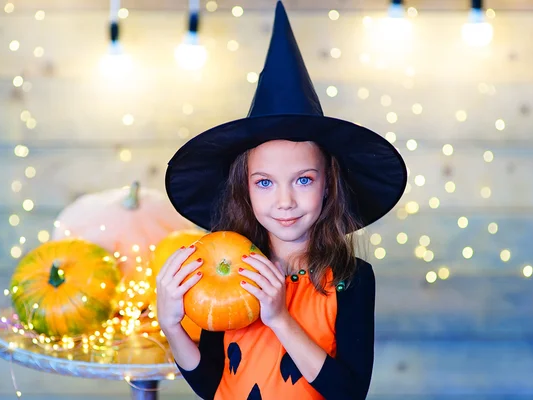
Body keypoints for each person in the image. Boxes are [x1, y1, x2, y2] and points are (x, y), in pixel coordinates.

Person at [156, 2, 407, 399]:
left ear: (328, 184)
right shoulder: (225, 272)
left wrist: (278, 317)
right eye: (265, 183)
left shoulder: (350, 279)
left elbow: (349, 392)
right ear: (245, 189)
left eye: (303, 179)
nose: (285, 201)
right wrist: (171, 324)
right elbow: (211, 385)